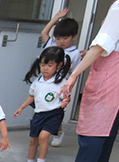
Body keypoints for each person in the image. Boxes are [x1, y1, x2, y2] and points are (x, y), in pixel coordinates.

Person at [49, 0, 119, 162]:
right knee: (108, 127)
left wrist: (74, 75)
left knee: (94, 127)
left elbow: (102, 45)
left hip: (111, 74)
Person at [14, 47, 71, 162]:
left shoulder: (61, 82)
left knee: (43, 136)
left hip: (54, 114)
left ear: (59, 65)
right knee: (33, 139)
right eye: (43, 64)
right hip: (38, 114)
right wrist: (21, 107)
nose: (45, 68)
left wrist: (65, 102)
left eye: (49, 65)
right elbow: (32, 96)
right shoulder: (38, 81)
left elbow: (66, 97)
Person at [40, 7, 81, 146]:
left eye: (65, 38)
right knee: (41, 108)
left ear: (74, 37)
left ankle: (58, 131)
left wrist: (68, 92)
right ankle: (42, 133)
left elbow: (74, 73)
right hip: (44, 84)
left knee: (55, 110)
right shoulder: (51, 44)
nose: (61, 41)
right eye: (58, 38)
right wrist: (56, 18)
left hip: (59, 87)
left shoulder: (75, 54)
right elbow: (44, 32)